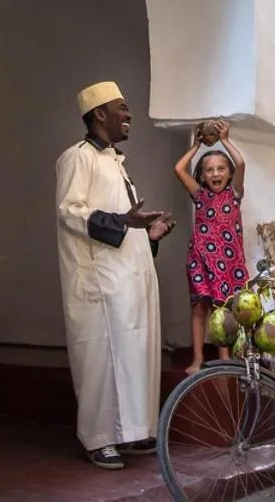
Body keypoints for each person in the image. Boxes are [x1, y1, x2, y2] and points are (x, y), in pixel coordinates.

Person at [55, 81, 176, 470]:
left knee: (131, 355)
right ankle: (99, 438)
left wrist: (148, 234)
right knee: (101, 360)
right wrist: (123, 221)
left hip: (128, 280)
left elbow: (125, 225)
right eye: (121, 108)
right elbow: (69, 212)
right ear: (99, 114)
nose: (129, 115)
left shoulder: (117, 162)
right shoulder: (77, 158)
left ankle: (130, 432)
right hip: (100, 284)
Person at [174, 121, 248, 375]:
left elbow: (240, 163)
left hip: (228, 262)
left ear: (228, 173)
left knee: (224, 308)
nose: (215, 174)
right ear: (202, 176)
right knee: (199, 308)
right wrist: (196, 144)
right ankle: (197, 360)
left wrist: (225, 140)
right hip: (201, 259)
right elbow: (179, 168)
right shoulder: (199, 194)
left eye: (220, 169)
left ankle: (225, 358)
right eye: (209, 170)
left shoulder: (234, 193)